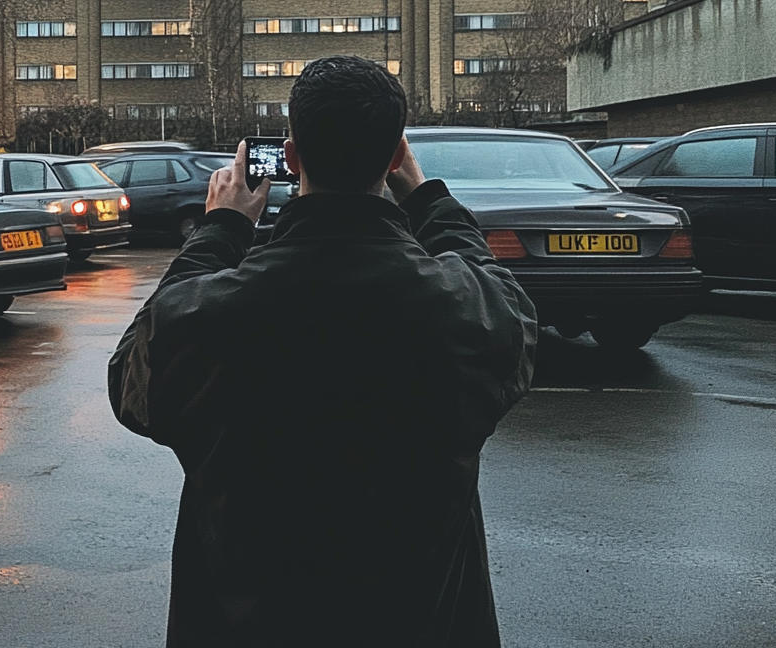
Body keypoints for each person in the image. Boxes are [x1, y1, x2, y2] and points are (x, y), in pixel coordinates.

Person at [108, 55, 538, 647]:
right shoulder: (462, 309)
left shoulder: (214, 312)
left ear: (289, 156)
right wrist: (429, 201)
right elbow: (508, 306)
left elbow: (133, 383)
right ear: (393, 158)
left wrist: (221, 230)